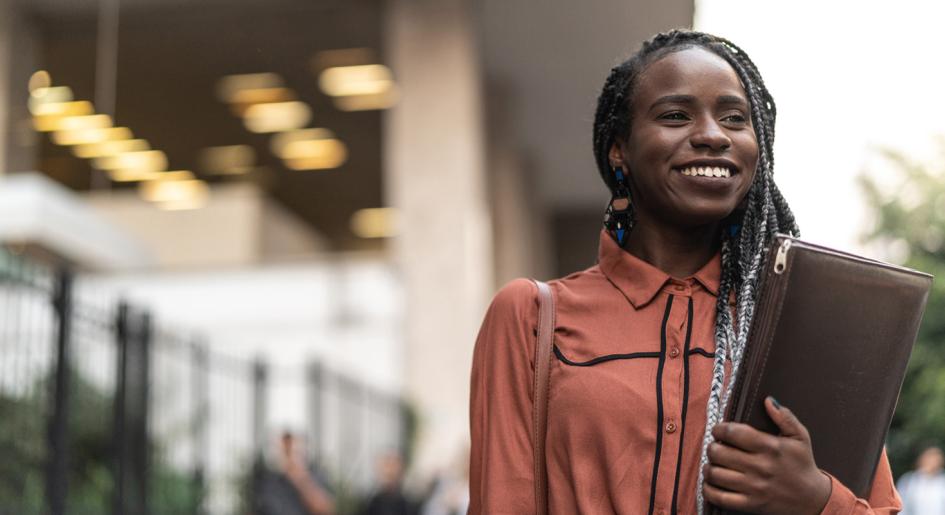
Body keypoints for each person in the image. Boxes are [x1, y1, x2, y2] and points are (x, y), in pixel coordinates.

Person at [468, 30, 903, 514]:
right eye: (676, 115)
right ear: (620, 151)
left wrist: (816, 499)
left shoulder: (798, 332)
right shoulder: (531, 318)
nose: (713, 135)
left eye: (735, 118)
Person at [254, 431, 337, 515]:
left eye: (291, 448)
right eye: (284, 448)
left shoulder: (315, 474)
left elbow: (325, 509)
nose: (288, 453)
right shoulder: (270, 481)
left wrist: (298, 476)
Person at [897, 446, 945, 515]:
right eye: (929, 457)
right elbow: (901, 507)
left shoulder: (943, 481)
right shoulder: (908, 480)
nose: (933, 462)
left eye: (936, 459)